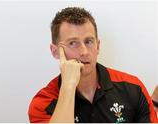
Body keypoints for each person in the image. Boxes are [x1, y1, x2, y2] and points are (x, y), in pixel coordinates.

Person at [28, 7, 158, 123]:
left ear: (98, 46)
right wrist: (68, 86)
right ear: (55, 51)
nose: (84, 52)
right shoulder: (43, 102)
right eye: (73, 43)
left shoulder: (133, 87)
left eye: (88, 41)